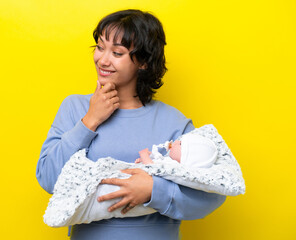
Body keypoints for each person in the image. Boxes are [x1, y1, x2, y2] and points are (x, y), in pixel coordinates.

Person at [36, 9, 226, 240]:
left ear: (143, 62)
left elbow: (212, 193)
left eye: (117, 52)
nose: (102, 59)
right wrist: (90, 121)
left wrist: (153, 190)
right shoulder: (75, 108)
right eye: (99, 47)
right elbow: (48, 179)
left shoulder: (173, 122)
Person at [135, 134, 218, 168]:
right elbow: (158, 161)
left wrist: (144, 155)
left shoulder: (175, 166)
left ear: (187, 157)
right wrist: (151, 156)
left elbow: (152, 168)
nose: (177, 141)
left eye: (181, 144)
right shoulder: (170, 160)